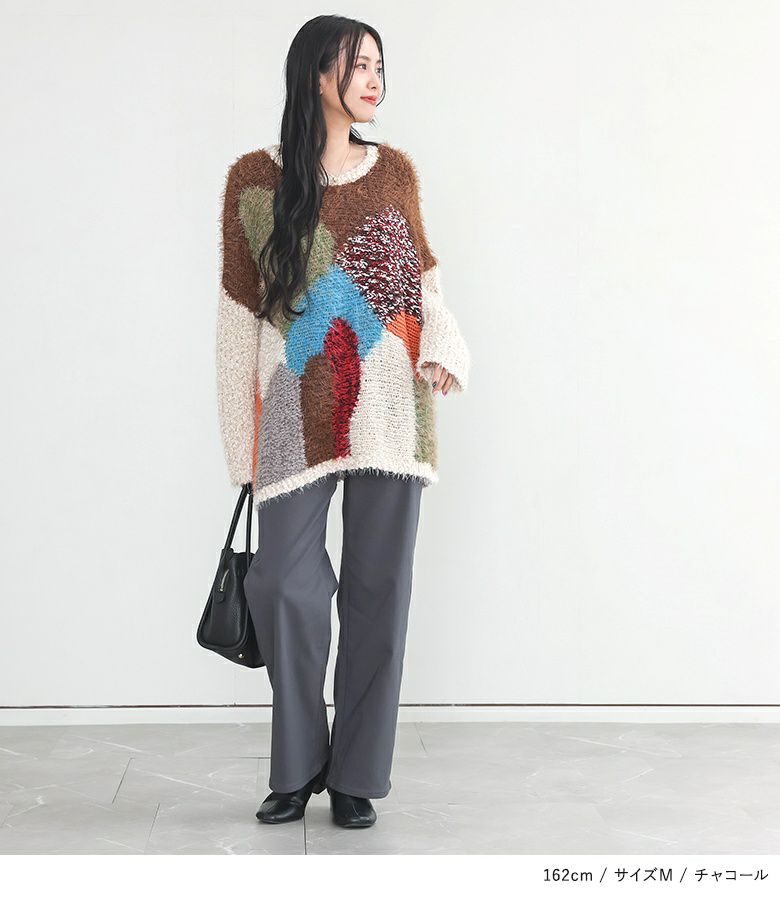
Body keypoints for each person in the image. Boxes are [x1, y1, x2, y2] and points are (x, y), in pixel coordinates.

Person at [216, 15, 471, 829]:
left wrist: (445, 347)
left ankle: (356, 774)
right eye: (359, 65)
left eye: (379, 66)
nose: (373, 80)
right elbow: (236, 322)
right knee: (283, 584)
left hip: (394, 403)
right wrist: (242, 447)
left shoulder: (394, 173)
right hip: (294, 411)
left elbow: (423, 285)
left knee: (379, 591)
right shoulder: (256, 182)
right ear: (315, 74)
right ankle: (298, 765)